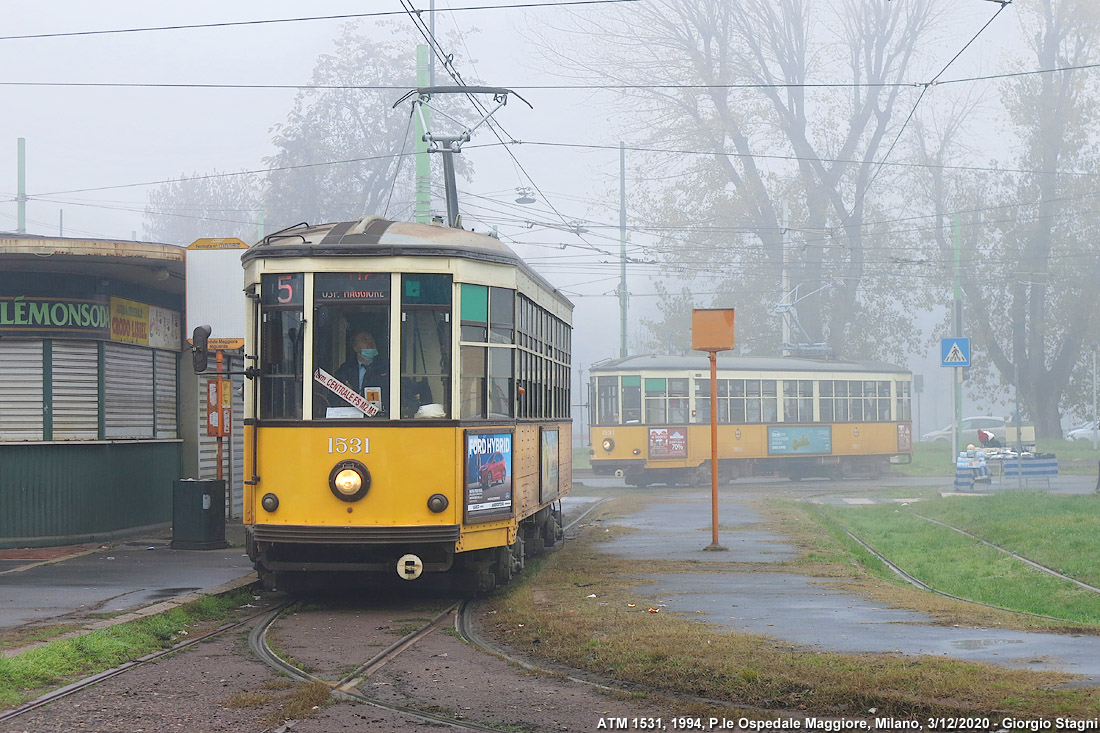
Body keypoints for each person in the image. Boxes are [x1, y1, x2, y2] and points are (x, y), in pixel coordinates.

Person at [332, 330, 388, 415]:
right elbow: (334, 397)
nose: (370, 342)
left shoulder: (386, 367)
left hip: (380, 418)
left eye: (371, 339)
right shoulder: (345, 370)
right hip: (352, 417)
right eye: (364, 340)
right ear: (355, 348)